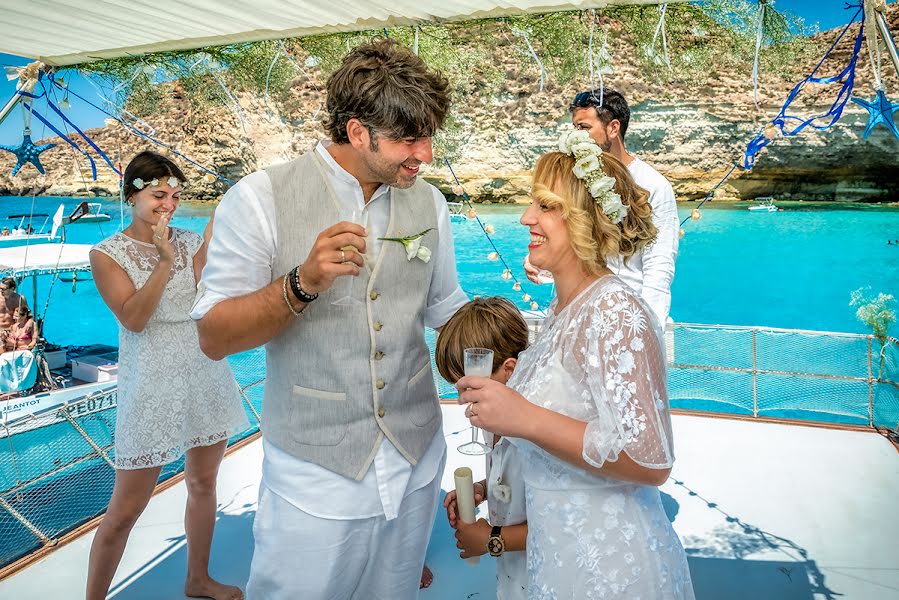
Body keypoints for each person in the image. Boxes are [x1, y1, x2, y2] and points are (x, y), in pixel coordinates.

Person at [192, 39, 468, 599]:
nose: (426, 154)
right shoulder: (258, 198)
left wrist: (520, 348)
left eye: (429, 135)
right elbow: (213, 335)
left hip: (417, 459)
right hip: (315, 475)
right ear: (357, 131)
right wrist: (302, 284)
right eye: (407, 140)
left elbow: (445, 308)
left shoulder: (429, 203)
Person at [458, 131, 694, 599]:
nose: (527, 217)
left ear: (585, 219)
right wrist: (492, 484)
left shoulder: (615, 311)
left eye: (546, 206)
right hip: (559, 555)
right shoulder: (563, 312)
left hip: (608, 567)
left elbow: (651, 460)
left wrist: (523, 417)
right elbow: (570, 436)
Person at [87, 151, 249, 600]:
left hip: (203, 371)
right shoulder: (105, 255)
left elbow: (211, 298)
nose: (169, 205)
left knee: (203, 482)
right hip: (152, 382)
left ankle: (197, 579)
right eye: (160, 195)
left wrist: (223, 236)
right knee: (125, 508)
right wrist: (161, 263)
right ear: (134, 194)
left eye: (175, 196)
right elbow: (134, 319)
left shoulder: (192, 241)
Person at [526, 89, 679, 327]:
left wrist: (645, 329)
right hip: (574, 311)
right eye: (575, 128)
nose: (577, 136)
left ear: (613, 128)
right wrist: (542, 257)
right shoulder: (576, 180)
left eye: (584, 128)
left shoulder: (653, 185)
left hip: (622, 316)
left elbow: (659, 267)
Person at [437, 296, 530, 600]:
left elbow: (558, 520)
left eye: (470, 387)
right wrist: (485, 487)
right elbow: (519, 482)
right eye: (457, 387)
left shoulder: (534, 433)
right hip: (514, 576)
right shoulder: (493, 422)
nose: (462, 399)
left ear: (509, 370)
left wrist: (490, 540)